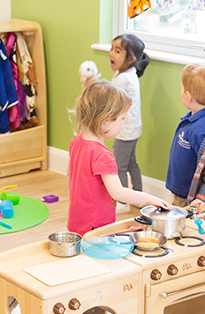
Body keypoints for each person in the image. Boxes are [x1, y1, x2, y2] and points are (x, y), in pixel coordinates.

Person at [67, 80, 171, 236]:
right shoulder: (102, 155)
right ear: (105, 121)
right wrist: (150, 199)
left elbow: (69, 176)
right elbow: (118, 193)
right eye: (122, 119)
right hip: (97, 226)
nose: (123, 123)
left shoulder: (76, 142)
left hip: (77, 220)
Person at [166, 62, 205, 212]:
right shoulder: (194, 119)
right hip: (180, 191)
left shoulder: (203, 129)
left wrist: (204, 197)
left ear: (189, 96)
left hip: (188, 196)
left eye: (181, 88)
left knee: (183, 228)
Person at [109, 34, 149, 213]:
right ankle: (138, 196)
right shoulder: (129, 72)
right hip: (134, 129)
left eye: (118, 51)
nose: (111, 53)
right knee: (132, 163)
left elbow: (109, 97)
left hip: (124, 131)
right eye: (112, 49)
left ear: (131, 59)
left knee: (119, 167)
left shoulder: (122, 78)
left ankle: (123, 202)